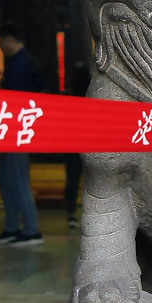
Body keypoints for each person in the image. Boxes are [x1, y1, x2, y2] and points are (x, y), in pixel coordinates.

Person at [0, 23, 44, 246]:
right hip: (16, 127)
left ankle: (30, 229)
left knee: (17, 178)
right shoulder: (23, 61)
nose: (0, 47)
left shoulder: (20, 63)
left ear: (9, 39)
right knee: (5, 177)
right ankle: (13, 226)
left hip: (16, 128)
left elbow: (15, 99)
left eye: (1, 42)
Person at [63, 61, 90, 229]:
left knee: (72, 181)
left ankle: (71, 215)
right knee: (89, 182)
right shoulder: (92, 98)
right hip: (89, 146)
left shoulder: (69, 98)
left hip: (72, 145)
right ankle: (88, 214)